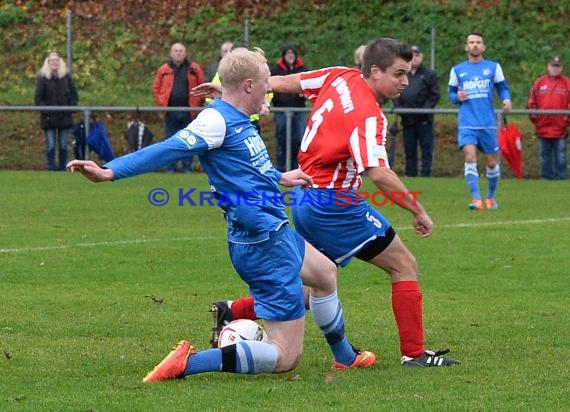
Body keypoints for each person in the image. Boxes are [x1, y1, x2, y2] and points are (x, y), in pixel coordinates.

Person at [67, 48, 376, 383]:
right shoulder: (216, 121)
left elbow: (248, 166)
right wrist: (110, 171)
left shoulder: (238, 118)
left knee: (325, 273)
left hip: (275, 233)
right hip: (264, 243)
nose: (268, 90)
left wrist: (279, 177)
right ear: (247, 86)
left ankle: (345, 357)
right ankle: (191, 364)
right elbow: (167, 148)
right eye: (264, 84)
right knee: (286, 356)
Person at [197, 38, 461, 368]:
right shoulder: (369, 116)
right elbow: (378, 173)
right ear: (375, 72)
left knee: (320, 279)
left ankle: (232, 310)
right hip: (336, 205)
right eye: (399, 74)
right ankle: (414, 353)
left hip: (305, 196)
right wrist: (417, 209)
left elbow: (281, 82)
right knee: (403, 265)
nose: (405, 82)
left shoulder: (340, 75)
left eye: (408, 74)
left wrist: (227, 88)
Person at [448, 32, 512, 210]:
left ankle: (490, 197)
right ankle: (476, 199)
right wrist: (457, 97)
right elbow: (451, 93)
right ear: (466, 47)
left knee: (492, 162)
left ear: (483, 47)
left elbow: (503, 88)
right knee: (470, 157)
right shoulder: (458, 70)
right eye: (471, 42)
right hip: (467, 122)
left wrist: (506, 99)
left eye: (478, 42)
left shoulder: (493, 67)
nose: (475, 45)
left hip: (487, 122)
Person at [153, 42, 205, 173]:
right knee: (170, 139)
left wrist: (197, 103)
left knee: (189, 139)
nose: (178, 53)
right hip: (170, 111)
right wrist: (162, 103)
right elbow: (156, 88)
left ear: (185, 53)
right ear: (171, 53)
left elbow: (202, 86)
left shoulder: (194, 68)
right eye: (175, 51)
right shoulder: (164, 70)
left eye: (181, 51)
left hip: (190, 111)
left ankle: (187, 167)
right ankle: (171, 167)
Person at [393, 45, 440, 177]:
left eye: (416, 55)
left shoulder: (429, 74)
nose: (414, 58)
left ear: (421, 57)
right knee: (409, 149)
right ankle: (410, 174)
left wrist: (425, 110)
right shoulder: (402, 74)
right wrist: (401, 109)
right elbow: (395, 92)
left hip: (424, 120)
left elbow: (434, 95)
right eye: (411, 56)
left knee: (426, 149)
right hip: (407, 119)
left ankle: (426, 174)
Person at [527, 56, 570, 180]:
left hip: (560, 128)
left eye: (558, 66)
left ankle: (560, 177)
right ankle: (547, 177)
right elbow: (532, 102)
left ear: (561, 68)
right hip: (542, 127)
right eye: (553, 66)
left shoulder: (567, 83)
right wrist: (535, 118)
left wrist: (566, 121)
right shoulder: (539, 82)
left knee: (561, 154)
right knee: (544, 155)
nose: (555, 69)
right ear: (548, 67)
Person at [34, 51, 78, 171]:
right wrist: (47, 111)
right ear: (48, 63)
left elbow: (74, 95)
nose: (54, 62)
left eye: (57, 60)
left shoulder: (66, 78)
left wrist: (70, 109)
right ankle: (51, 168)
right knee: (51, 145)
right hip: (49, 118)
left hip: (64, 117)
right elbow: (38, 98)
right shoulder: (43, 79)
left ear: (60, 62)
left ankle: (62, 168)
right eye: (52, 60)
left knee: (63, 145)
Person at [270, 44, 308, 171]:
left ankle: (298, 166)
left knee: (299, 138)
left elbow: (309, 86)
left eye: (292, 53)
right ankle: (282, 167)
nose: (290, 56)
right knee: (282, 138)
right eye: (288, 53)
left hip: (299, 109)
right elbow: (271, 87)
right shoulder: (276, 69)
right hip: (280, 110)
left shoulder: (303, 69)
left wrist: (305, 94)